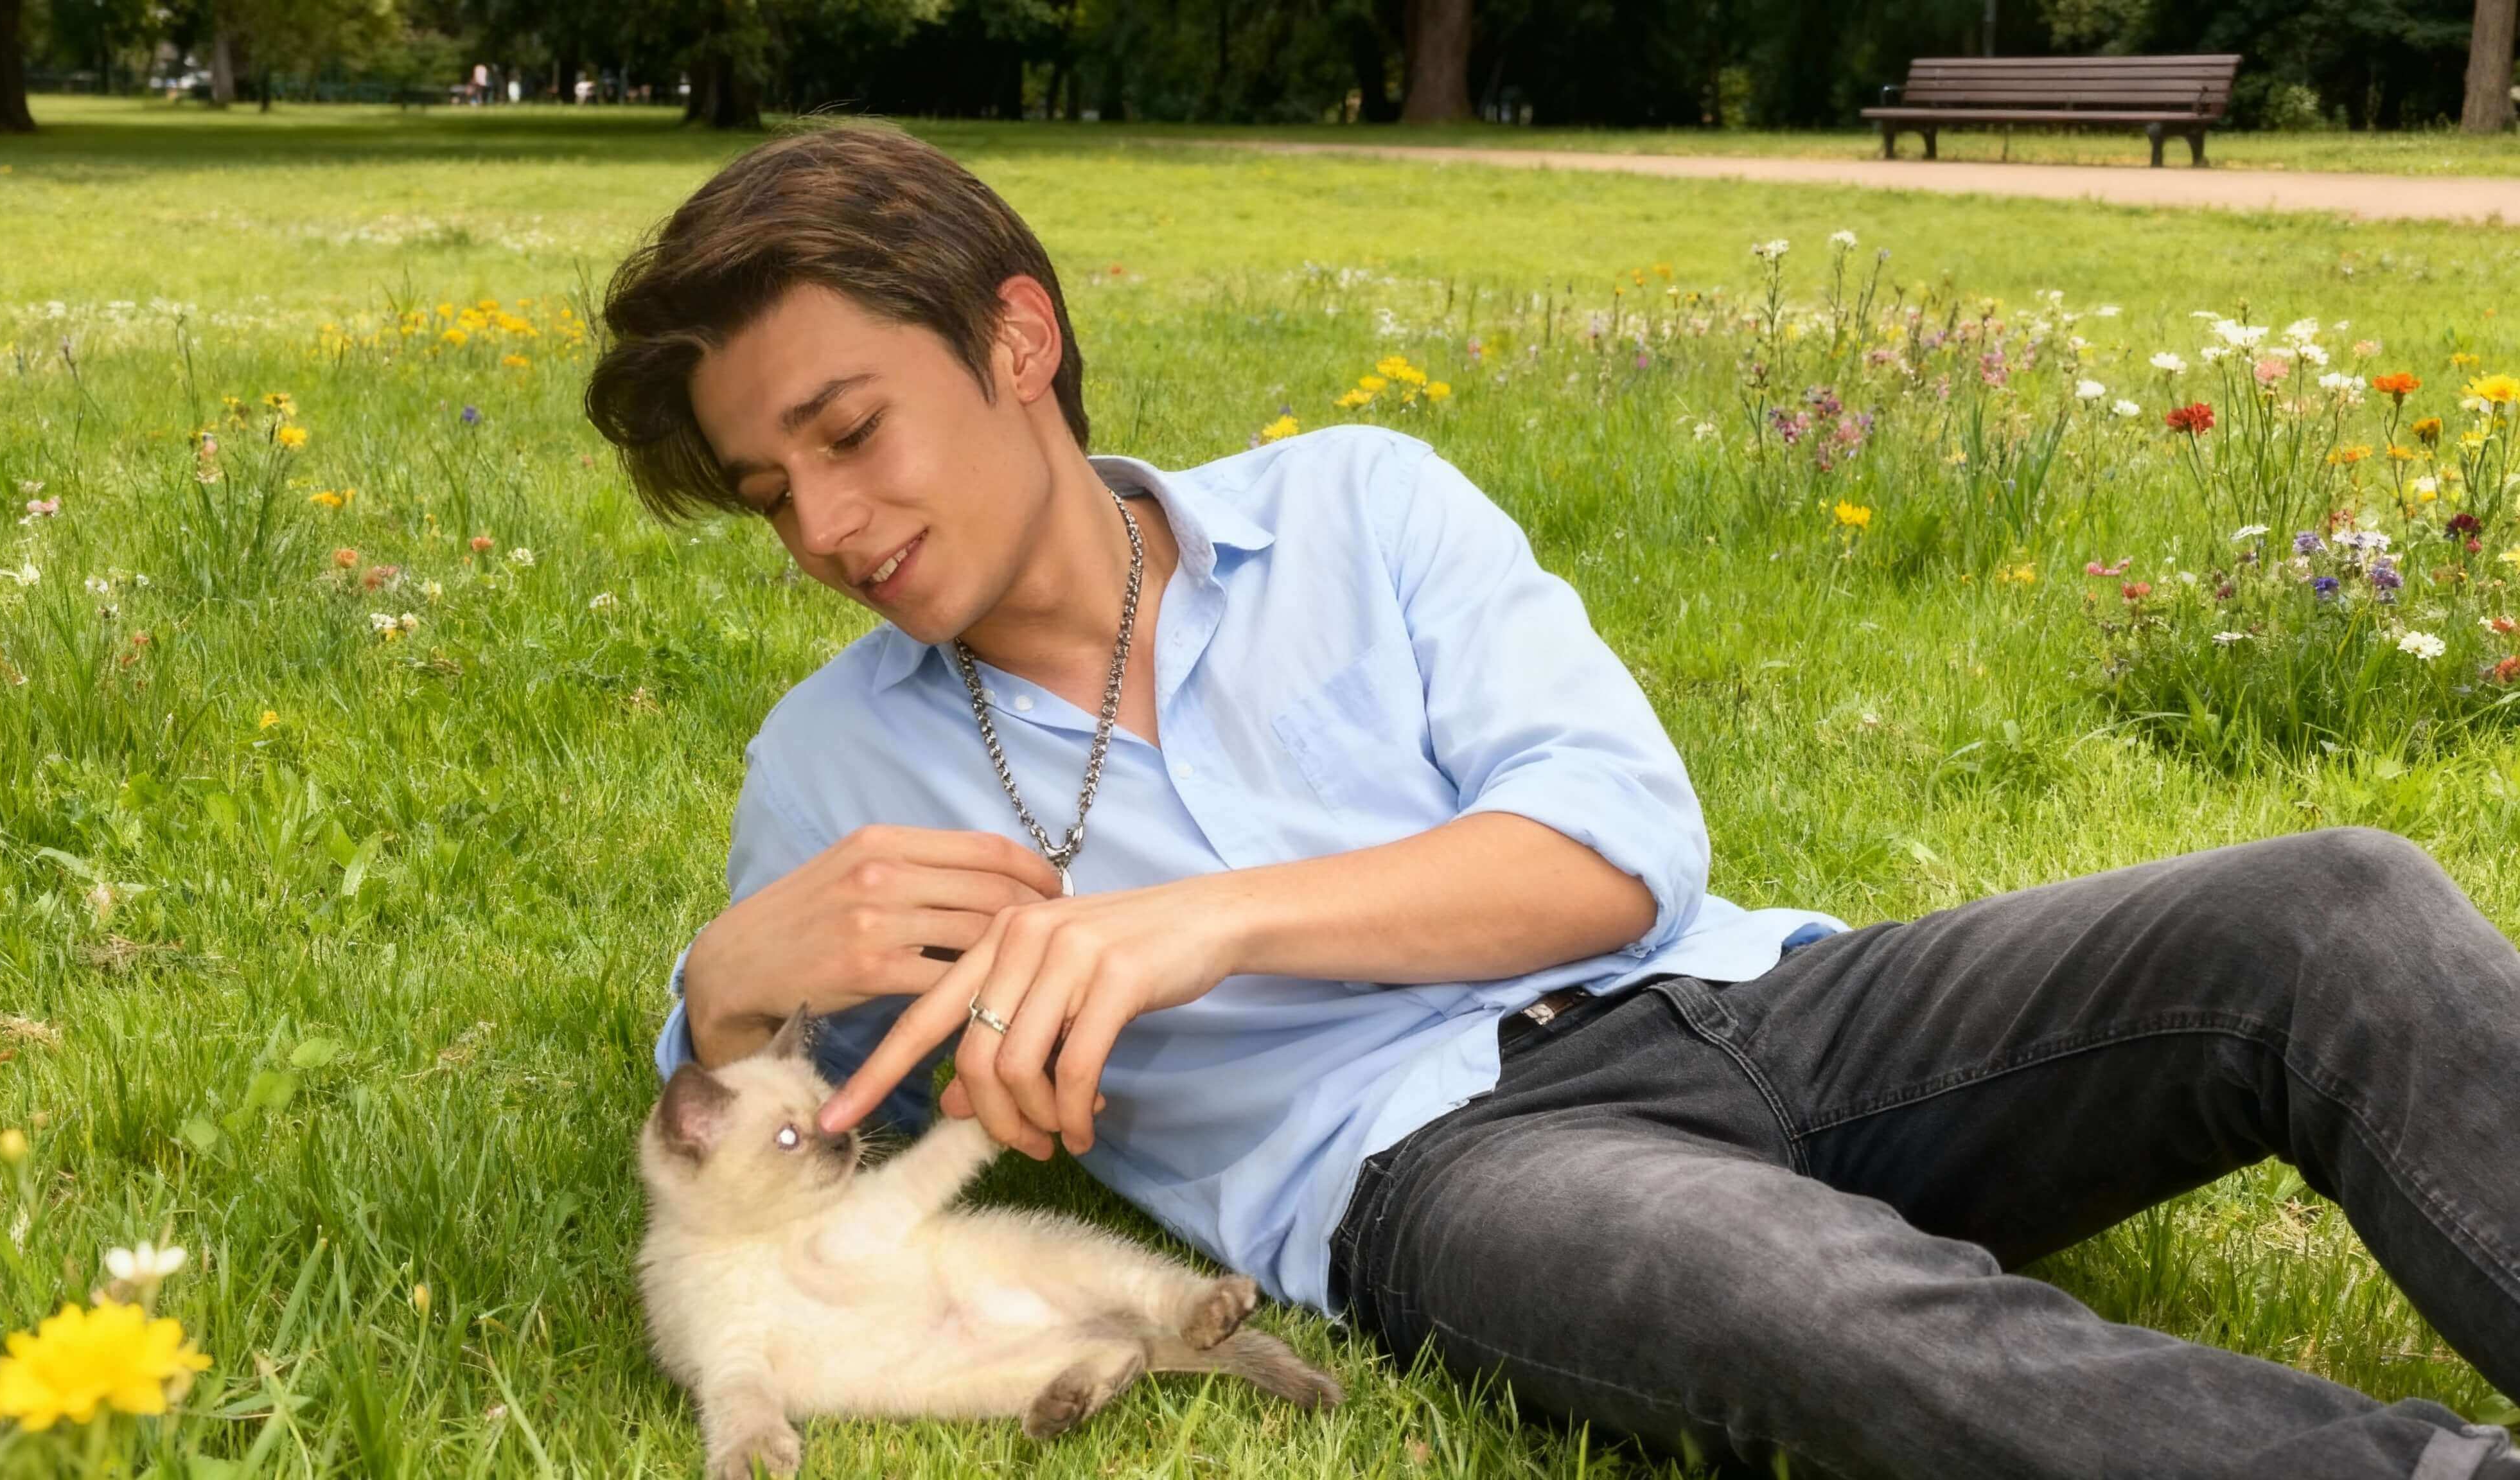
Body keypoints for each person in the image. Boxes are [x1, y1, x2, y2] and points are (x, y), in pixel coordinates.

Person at [581, 121, 2520, 1479]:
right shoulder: (833, 764)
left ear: (1017, 340)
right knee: (1784, 1293)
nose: (826, 526)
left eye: (850, 432)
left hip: (1772, 1002)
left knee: (2331, 907)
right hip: (1445, 1173)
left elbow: (1618, 850)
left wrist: (1202, 924)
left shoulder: (1359, 502)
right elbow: (804, 1161)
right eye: (772, 493)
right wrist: (726, 995)